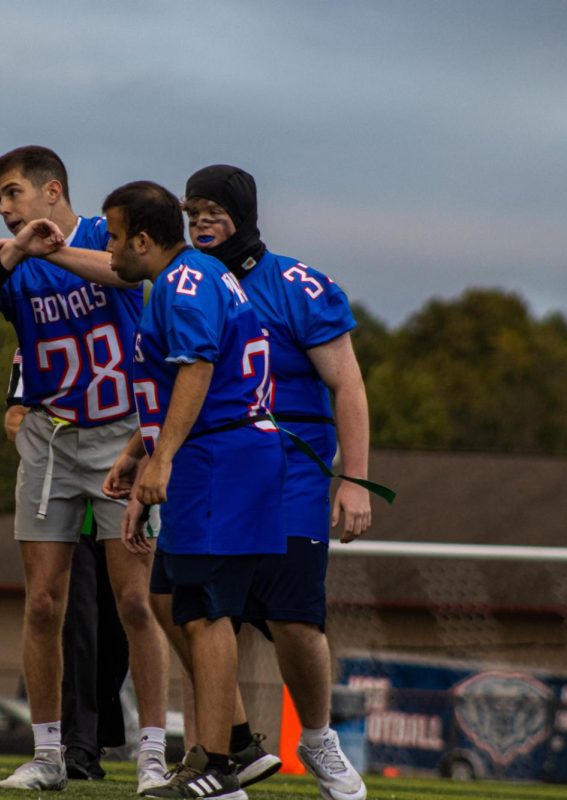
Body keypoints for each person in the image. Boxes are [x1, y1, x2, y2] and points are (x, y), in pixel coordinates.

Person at [0, 146, 169, 792]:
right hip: (48, 437)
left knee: (132, 599)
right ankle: (48, 753)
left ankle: (153, 754)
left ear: (52, 191)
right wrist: (13, 254)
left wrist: (52, 250)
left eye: (13, 194)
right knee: (43, 603)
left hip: (120, 435)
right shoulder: (6, 255)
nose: (6, 209)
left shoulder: (104, 232)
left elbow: (129, 275)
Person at [181, 164, 373, 800]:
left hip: (290, 464)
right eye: (193, 212)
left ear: (243, 212)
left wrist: (355, 479)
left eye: (214, 210)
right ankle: (217, 752)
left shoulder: (296, 284)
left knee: (295, 618)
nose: (202, 222)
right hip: (214, 467)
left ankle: (316, 737)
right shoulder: (186, 281)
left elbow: (347, 382)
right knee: (205, 615)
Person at [101, 180, 286, 800]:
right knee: (163, 597)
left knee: (208, 613)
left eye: (115, 236)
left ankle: (213, 761)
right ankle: (237, 741)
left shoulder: (183, 283)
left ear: (144, 240)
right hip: (215, 451)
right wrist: (139, 454)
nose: (109, 248)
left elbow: (199, 368)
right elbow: (175, 381)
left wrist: (165, 460)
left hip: (220, 456)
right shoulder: (190, 276)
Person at [4, 351, 130, 781]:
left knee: (120, 626)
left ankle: (100, 732)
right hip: (69, 519)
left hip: (116, 500)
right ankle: (75, 743)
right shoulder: (42, 334)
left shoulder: (123, 328)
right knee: (76, 625)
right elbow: (14, 416)